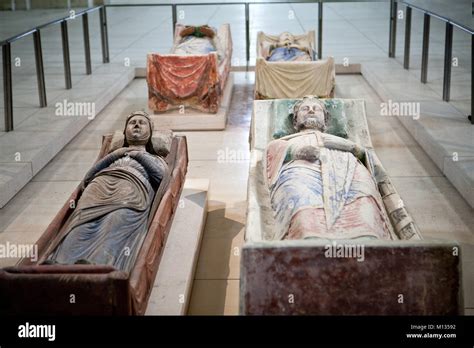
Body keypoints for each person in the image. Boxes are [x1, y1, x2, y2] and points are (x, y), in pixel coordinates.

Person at [45, 111, 168, 271]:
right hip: (98, 187)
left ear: (150, 133)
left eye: (141, 122)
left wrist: (138, 154)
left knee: (115, 221)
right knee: (81, 224)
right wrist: (116, 154)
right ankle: (61, 261)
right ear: (124, 132)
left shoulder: (155, 158)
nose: (136, 124)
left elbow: (161, 178)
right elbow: (88, 178)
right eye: (132, 122)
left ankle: (100, 263)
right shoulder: (114, 155)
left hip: (130, 191)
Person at [266, 96, 393, 240]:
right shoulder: (287, 141)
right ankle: (309, 240)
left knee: (365, 200)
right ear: (295, 121)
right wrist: (296, 151)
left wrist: (351, 147)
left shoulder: (344, 142)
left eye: (317, 109)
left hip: (347, 169)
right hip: (303, 171)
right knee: (299, 199)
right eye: (305, 109)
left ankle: (366, 239)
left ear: (325, 121)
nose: (311, 111)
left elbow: (368, 159)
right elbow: (271, 151)